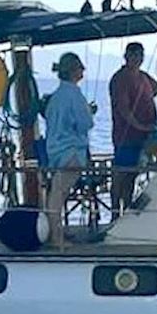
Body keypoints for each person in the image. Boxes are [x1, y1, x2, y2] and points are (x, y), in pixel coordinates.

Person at [42, 51, 94, 246]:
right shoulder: (74, 94)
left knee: (57, 194)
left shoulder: (56, 96)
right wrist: (90, 113)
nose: (83, 70)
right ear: (74, 71)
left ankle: (56, 234)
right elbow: (85, 123)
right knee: (58, 195)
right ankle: (56, 238)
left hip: (55, 151)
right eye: (80, 67)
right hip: (71, 152)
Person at [108, 42, 157, 214]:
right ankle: (115, 213)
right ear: (126, 56)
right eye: (134, 54)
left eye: (141, 55)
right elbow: (123, 109)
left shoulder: (144, 77)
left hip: (143, 138)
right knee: (120, 175)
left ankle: (128, 212)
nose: (138, 58)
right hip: (126, 137)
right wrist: (141, 126)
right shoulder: (120, 78)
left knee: (132, 177)